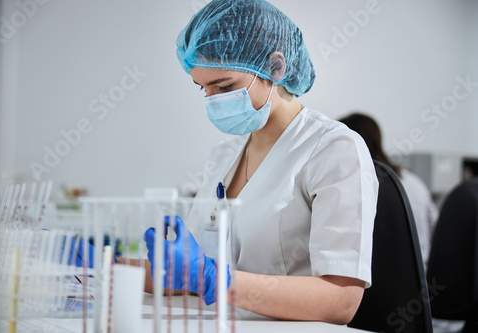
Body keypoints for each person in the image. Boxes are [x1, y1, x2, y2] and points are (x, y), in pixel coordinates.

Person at [143, 0, 379, 324]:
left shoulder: (334, 149)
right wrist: (95, 265)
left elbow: (340, 301)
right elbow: (188, 275)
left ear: (275, 67)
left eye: (224, 86)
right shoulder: (223, 156)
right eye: (203, 88)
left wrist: (217, 280)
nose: (212, 101)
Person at [338, 113, 439, 269]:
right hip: (422, 277)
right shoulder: (414, 182)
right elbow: (438, 232)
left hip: (379, 281)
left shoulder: (353, 184)